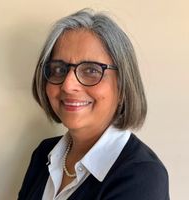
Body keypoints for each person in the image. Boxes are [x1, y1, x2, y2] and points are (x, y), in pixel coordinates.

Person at [18, 9, 170, 200]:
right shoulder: (43, 155)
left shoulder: (142, 177)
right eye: (59, 69)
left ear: (123, 85)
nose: (68, 84)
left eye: (91, 70)